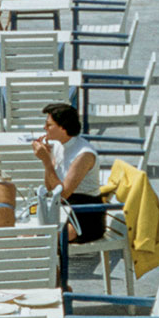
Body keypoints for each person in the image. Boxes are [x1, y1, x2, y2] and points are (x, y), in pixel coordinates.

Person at [34, 103, 103, 287]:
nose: (44, 128)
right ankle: (52, 282)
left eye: (49, 125)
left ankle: (57, 284)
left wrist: (47, 162)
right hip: (64, 209)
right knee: (30, 234)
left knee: (43, 239)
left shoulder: (84, 154)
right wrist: (47, 162)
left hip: (85, 216)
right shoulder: (59, 146)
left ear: (63, 127)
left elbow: (63, 192)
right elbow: (50, 188)